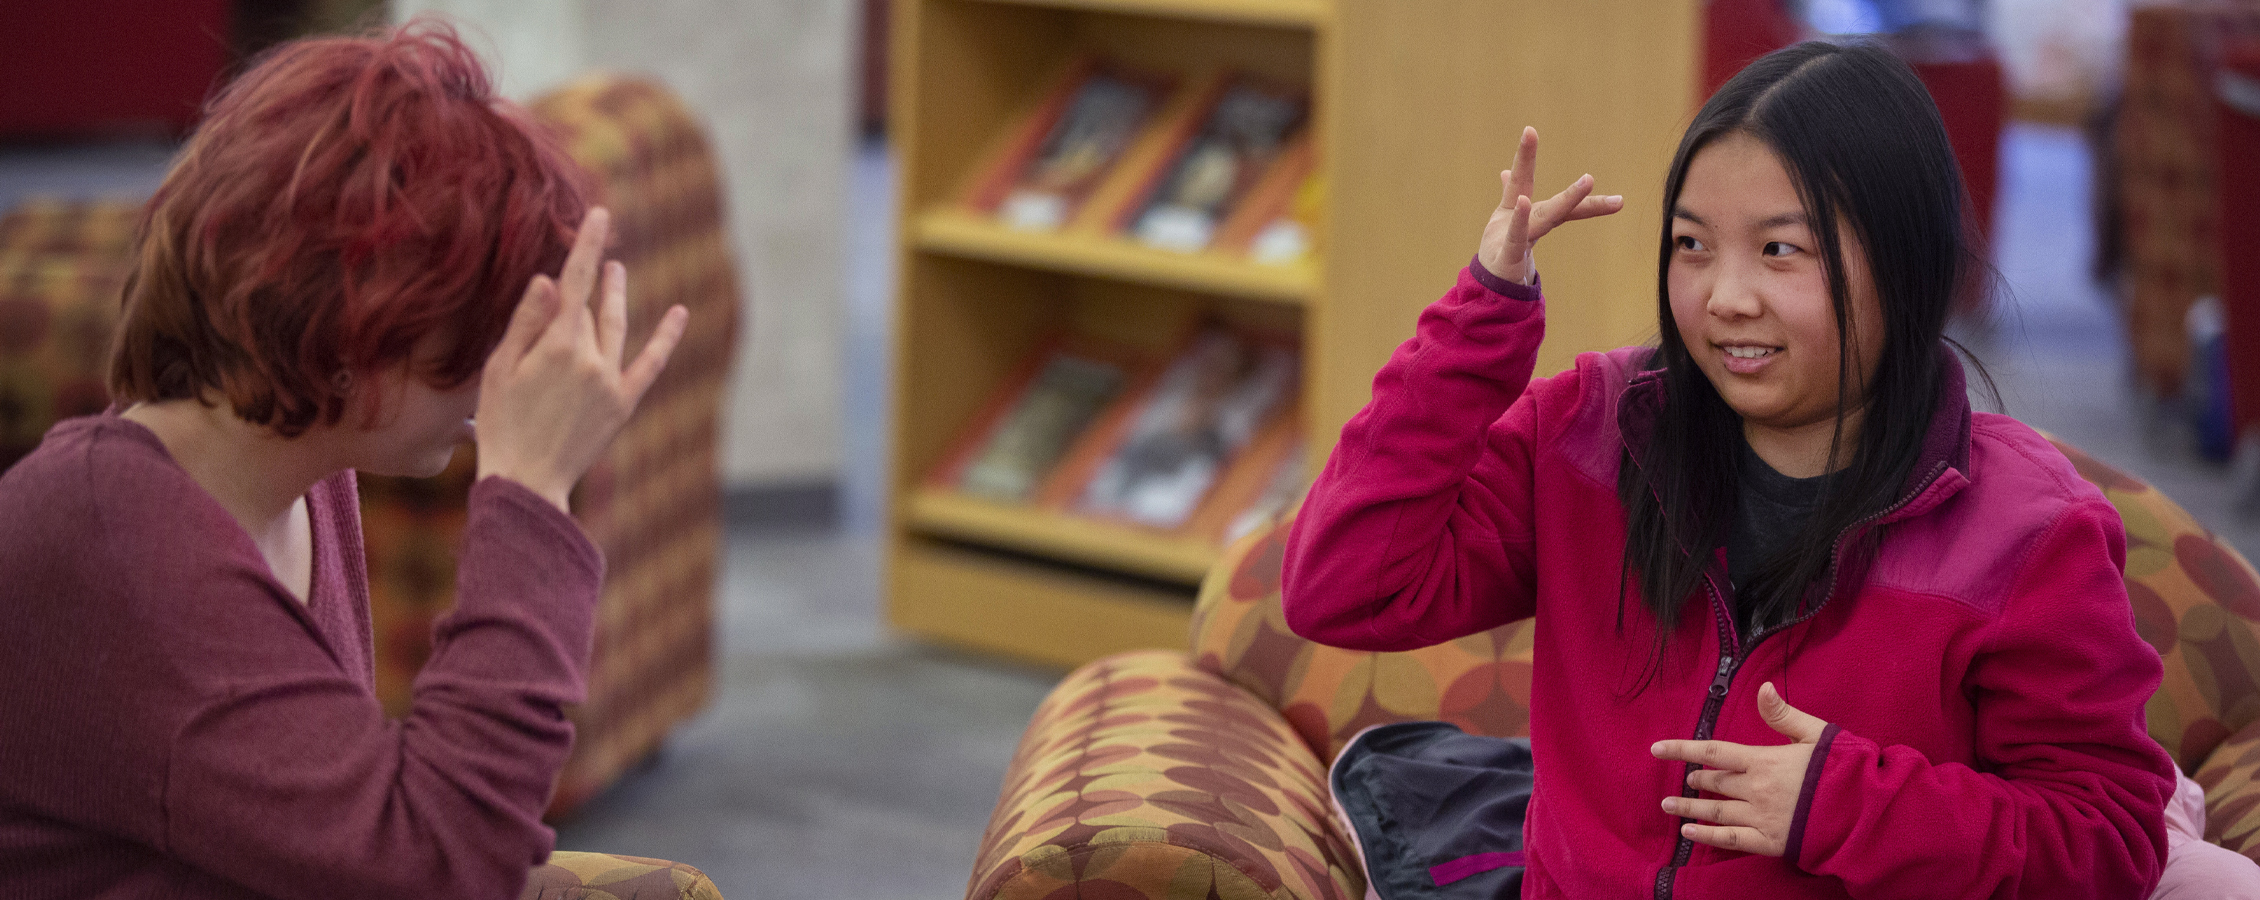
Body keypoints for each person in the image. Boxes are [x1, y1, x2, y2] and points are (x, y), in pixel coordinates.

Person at [1283, 41, 2198, 898]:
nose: (1724, 297)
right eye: (1692, 245)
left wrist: (1847, 803)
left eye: (1779, 250)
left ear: (1906, 263)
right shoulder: (1590, 433)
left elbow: (2107, 841)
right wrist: (1482, 318)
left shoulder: (2029, 536)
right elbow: (1345, 587)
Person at [0, 21, 687, 899]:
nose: (496, 377)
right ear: (353, 328)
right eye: (476, 331)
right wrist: (530, 495)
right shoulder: (124, 553)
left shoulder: (297, 473)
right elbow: (442, 868)